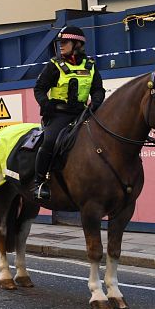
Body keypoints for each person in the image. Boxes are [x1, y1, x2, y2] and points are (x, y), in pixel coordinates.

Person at [33, 25, 105, 200]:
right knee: (49, 141)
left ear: (77, 44)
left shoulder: (91, 66)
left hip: (83, 113)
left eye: (65, 42)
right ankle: (39, 182)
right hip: (59, 115)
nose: (61, 46)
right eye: (60, 43)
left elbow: (98, 90)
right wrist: (46, 103)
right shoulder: (54, 66)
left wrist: (95, 102)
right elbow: (40, 89)